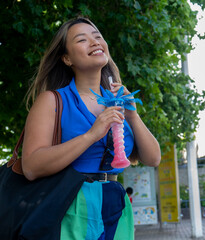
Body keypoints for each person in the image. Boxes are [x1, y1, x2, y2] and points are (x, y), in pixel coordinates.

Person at [22, 17, 161, 239]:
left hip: (117, 203)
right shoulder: (52, 101)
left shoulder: (117, 100)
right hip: (71, 204)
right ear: (66, 58)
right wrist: (92, 135)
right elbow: (30, 166)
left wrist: (133, 115)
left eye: (98, 37)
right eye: (82, 39)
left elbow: (153, 159)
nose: (95, 42)